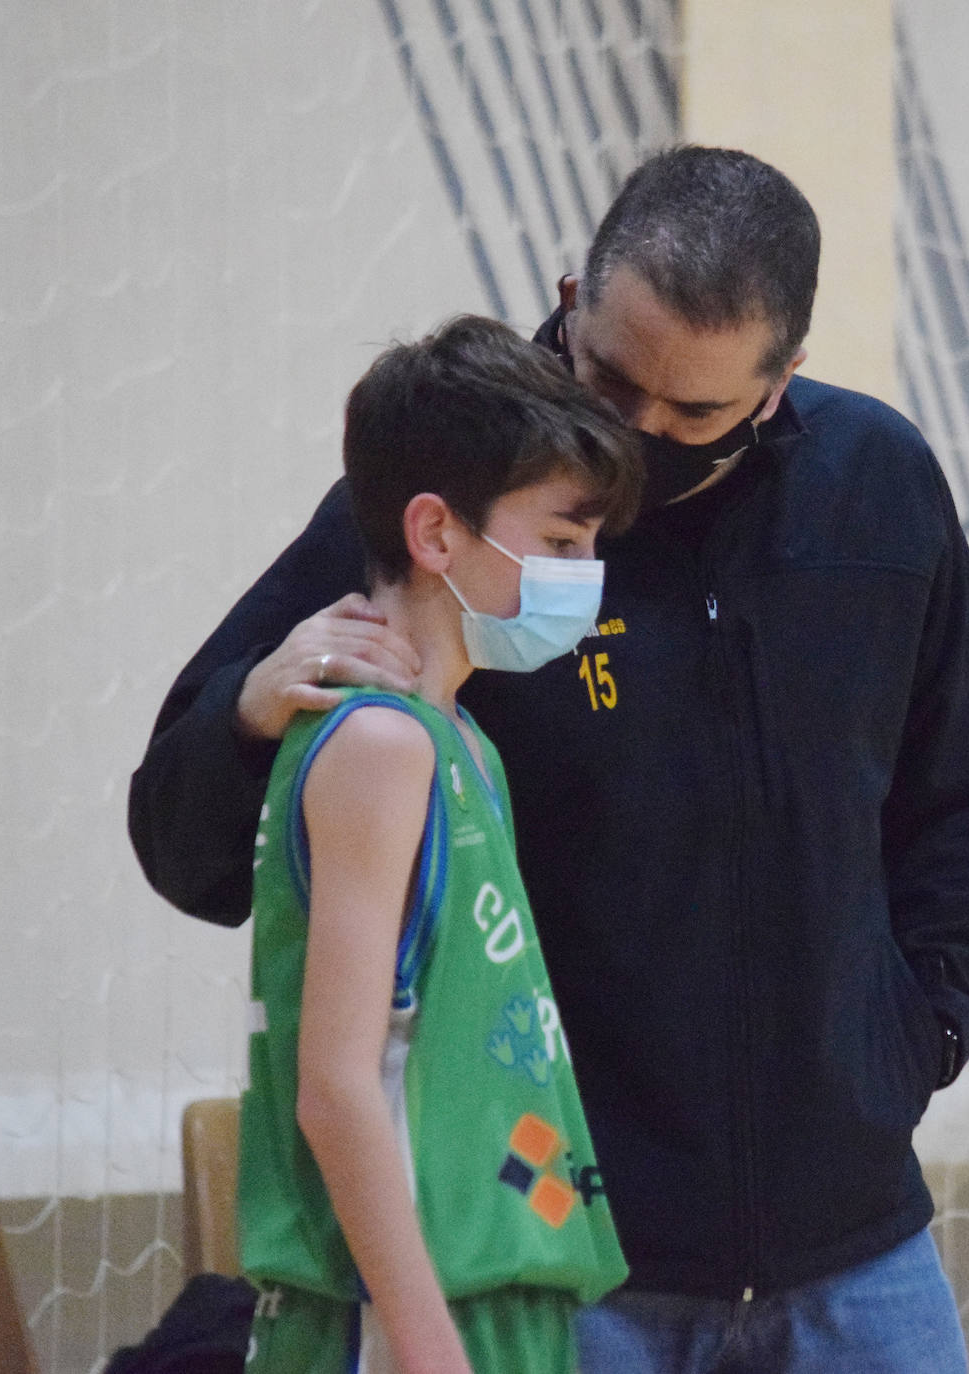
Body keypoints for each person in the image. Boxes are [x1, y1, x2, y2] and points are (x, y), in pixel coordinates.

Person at [131, 147, 969, 1373]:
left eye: (695, 413)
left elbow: (965, 789)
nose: (642, 440)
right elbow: (189, 852)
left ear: (783, 382)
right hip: (571, 1258)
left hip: (856, 1243)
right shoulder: (452, 501)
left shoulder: (880, 485)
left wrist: (916, 1035)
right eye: (609, 382)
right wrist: (244, 711)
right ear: (567, 295)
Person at [235, 315, 639, 1374]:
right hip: (403, 1313)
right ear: (435, 533)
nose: (583, 577)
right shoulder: (377, 743)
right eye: (560, 542)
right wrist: (424, 1343)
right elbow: (336, 1082)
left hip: (492, 1282)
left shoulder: (461, 741)